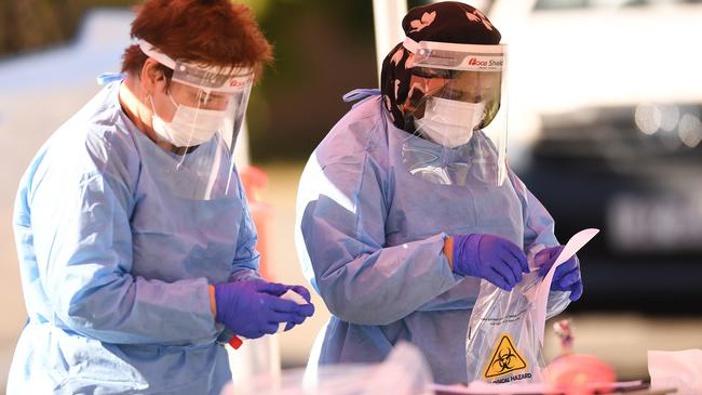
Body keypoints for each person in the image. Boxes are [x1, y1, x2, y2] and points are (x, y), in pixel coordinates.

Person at [7, 0, 314, 394]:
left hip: (196, 379)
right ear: (154, 74)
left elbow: (235, 248)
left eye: (227, 98)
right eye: (205, 96)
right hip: (98, 381)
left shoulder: (200, 144)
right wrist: (215, 304)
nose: (217, 111)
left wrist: (247, 286)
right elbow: (89, 299)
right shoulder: (91, 157)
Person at [294, 1, 582, 385]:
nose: (471, 105)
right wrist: (447, 257)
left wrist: (549, 271)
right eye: (458, 89)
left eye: (481, 90)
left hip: (484, 373)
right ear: (418, 79)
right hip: (384, 376)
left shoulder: (477, 149)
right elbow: (346, 285)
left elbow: (530, 235)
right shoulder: (355, 155)